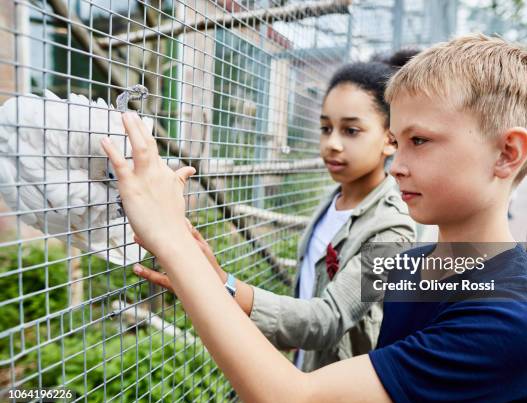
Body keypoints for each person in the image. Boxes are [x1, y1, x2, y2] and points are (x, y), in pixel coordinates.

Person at [102, 33, 527, 403]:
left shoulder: (514, 320)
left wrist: (171, 239)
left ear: (507, 153)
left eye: (419, 140)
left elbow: (298, 392)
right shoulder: (416, 263)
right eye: (397, 142)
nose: (397, 164)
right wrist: (211, 279)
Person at [132, 53, 420, 372]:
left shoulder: (393, 230)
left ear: (390, 139)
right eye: (326, 128)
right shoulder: (334, 199)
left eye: (351, 131)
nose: (332, 144)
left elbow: (328, 319)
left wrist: (223, 285)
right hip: (306, 368)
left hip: (343, 387)